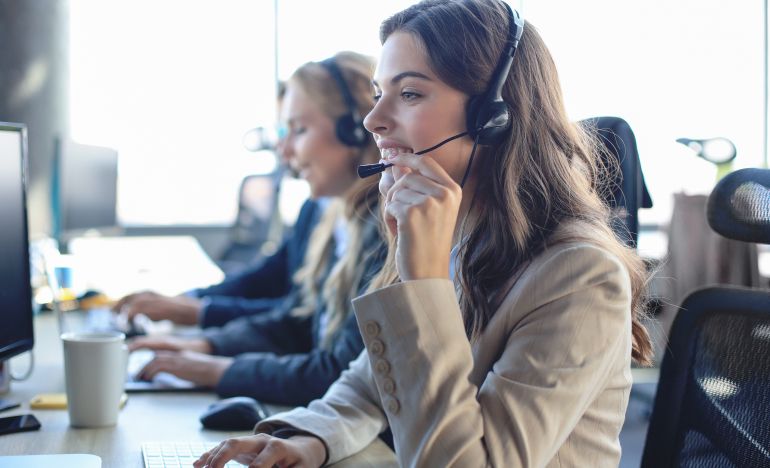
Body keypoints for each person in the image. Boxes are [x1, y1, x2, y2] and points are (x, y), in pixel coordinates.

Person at [193, 1, 654, 467]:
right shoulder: (456, 232)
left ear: (492, 116)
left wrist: (423, 284)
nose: (374, 120)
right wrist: (308, 440)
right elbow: (373, 380)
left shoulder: (581, 275)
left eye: (409, 94)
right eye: (378, 94)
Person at [128, 51, 387, 405]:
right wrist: (207, 346)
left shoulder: (387, 231)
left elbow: (338, 371)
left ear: (354, 130)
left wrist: (213, 368)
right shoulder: (328, 217)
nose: (283, 149)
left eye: (299, 129)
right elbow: (298, 319)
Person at [113, 82, 320, 330]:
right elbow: (263, 280)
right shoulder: (314, 208)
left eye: (298, 130)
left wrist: (198, 315)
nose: (282, 148)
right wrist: (185, 300)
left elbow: (301, 318)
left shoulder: (361, 222)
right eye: (282, 131)